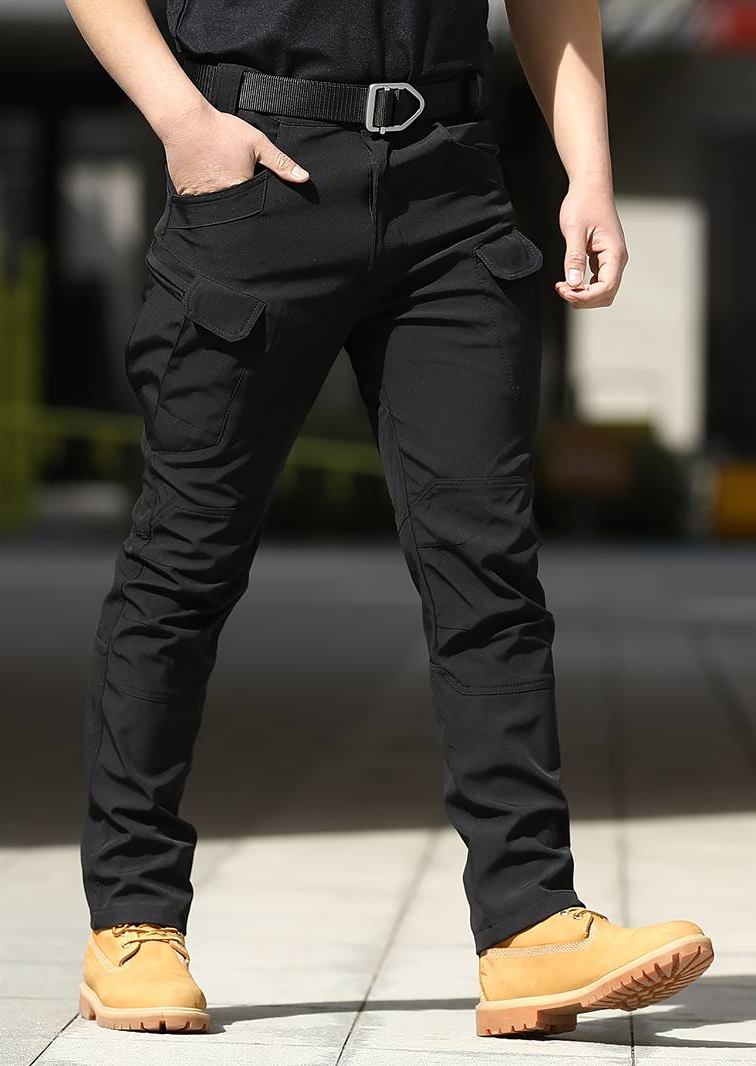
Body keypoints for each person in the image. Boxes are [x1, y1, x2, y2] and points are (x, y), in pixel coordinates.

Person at [65, 0, 714, 1038]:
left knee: (487, 573)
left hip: (448, 189)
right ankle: (132, 919)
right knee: (184, 565)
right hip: (257, 170)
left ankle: (530, 921)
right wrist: (181, 121)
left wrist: (588, 172)